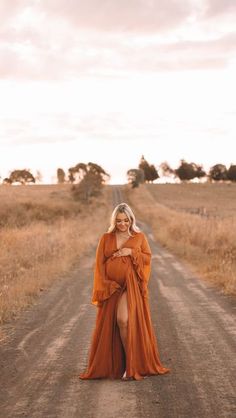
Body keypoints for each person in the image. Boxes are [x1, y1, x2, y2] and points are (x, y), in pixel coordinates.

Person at [79, 202, 170, 381]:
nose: (122, 224)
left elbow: (147, 259)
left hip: (131, 286)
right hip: (113, 287)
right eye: (119, 221)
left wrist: (131, 252)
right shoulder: (106, 238)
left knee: (123, 320)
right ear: (114, 221)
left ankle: (131, 366)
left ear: (131, 220)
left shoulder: (139, 237)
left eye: (126, 220)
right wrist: (106, 284)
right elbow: (99, 264)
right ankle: (125, 365)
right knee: (113, 326)